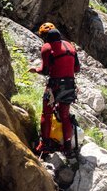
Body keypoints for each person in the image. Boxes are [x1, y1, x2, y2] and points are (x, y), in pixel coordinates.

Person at [29, 22, 80, 156]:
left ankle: (44, 145)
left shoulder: (47, 47)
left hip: (54, 85)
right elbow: (77, 69)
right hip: (69, 85)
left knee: (47, 113)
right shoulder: (70, 46)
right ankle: (67, 147)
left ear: (45, 38)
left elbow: (45, 70)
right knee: (65, 115)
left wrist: (36, 70)